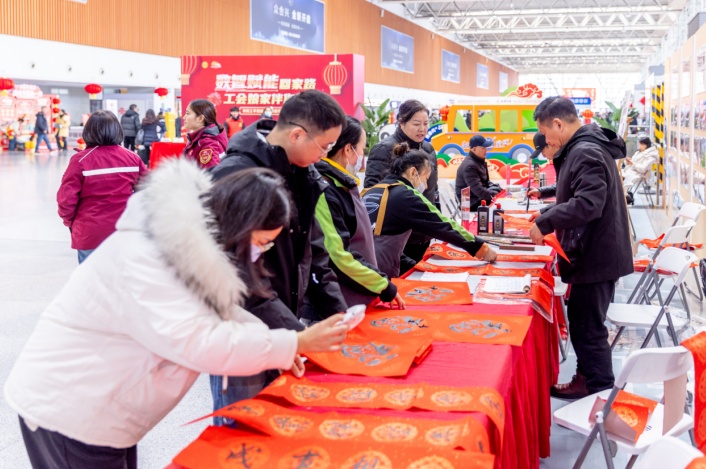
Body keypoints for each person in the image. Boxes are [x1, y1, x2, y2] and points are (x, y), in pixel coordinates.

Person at [5, 160, 349, 469]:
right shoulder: (149, 259)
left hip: (102, 408)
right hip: (69, 408)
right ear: (240, 226)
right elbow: (201, 342)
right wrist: (294, 342)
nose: (261, 252)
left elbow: (220, 310)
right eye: (261, 242)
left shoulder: (186, 249)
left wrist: (280, 344)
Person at [210, 90, 348, 413]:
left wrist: (336, 313)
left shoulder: (304, 172)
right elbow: (237, 277)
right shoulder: (236, 176)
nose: (325, 155)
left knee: (277, 416)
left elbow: (312, 251)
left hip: (281, 318)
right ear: (297, 134)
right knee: (244, 420)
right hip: (241, 328)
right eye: (325, 146)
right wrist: (296, 336)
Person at [528, 96, 633, 400]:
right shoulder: (583, 147)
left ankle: (597, 391)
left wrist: (546, 222)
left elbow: (588, 203)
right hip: (595, 250)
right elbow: (576, 195)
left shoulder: (585, 151)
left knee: (588, 327)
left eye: (545, 133)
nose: (547, 140)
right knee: (583, 321)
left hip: (597, 254)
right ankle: (587, 379)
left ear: (558, 124)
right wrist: (548, 211)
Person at [362, 143, 497, 279]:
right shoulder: (405, 195)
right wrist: (480, 248)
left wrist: (412, 264)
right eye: (426, 178)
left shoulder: (373, 190)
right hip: (377, 276)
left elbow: (383, 237)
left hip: (361, 268)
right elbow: (442, 224)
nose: (426, 186)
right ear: (413, 172)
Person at [314, 116, 405, 309]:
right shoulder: (325, 190)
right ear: (348, 149)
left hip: (357, 293)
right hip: (336, 301)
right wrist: (383, 285)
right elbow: (338, 255)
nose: (362, 157)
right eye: (362, 149)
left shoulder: (344, 184)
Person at [57, 110, 148, 263]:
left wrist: (71, 222)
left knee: (90, 276)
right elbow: (148, 193)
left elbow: (66, 200)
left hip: (90, 232)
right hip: (124, 231)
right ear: (117, 130)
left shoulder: (80, 161)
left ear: (89, 132)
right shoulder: (133, 158)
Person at [364, 100, 439, 270]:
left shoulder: (428, 149)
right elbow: (372, 193)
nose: (422, 129)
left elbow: (433, 190)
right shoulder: (384, 149)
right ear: (401, 122)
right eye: (416, 124)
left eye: (426, 123)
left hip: (424, 233)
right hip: (398, 237)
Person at [455, 134, 502, 208]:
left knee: (499, 192)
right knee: (502, 203)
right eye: (483, 148)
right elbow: (479, 191)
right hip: (470, 202)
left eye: (486, 147)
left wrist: (500, 191)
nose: (486, 150)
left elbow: (485, 183)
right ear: (474, 149)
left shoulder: (478, 161)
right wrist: (498, 196)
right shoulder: (470, 166)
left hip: (476, 198)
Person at [182, 99, 227, 170]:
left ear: (200, 118)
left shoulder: (208, 144)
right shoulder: (198, 140)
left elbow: (211, 174)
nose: (184, 117)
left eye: (188, 113)